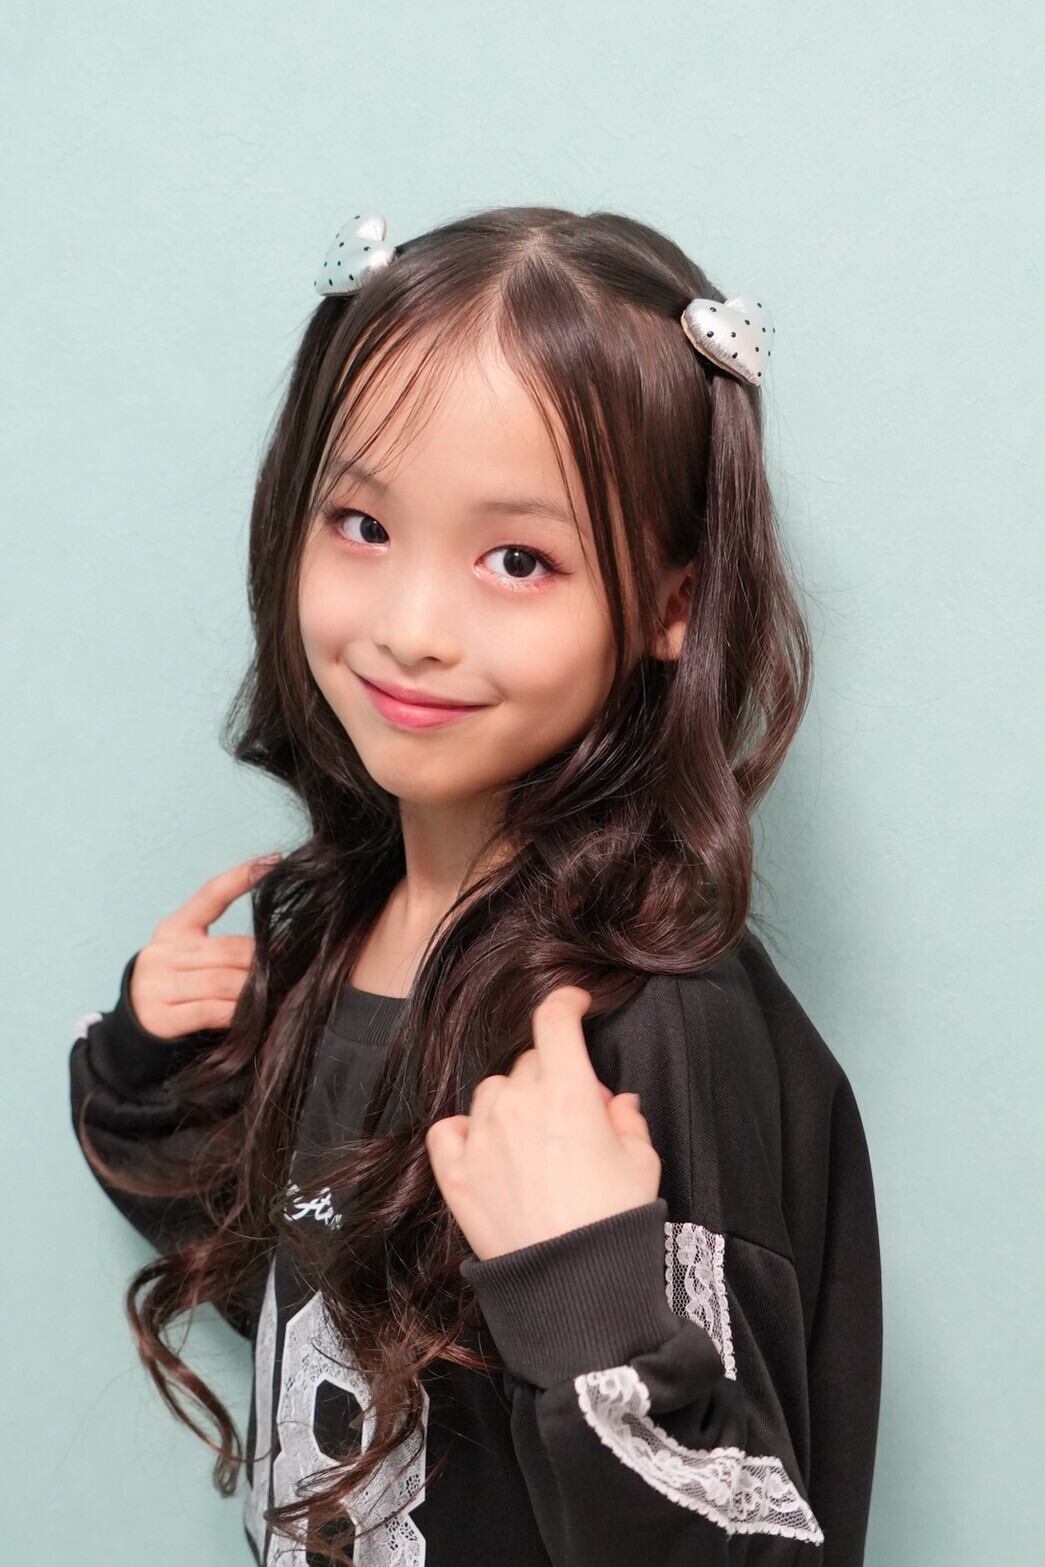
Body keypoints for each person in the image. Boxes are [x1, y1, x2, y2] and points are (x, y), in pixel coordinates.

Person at [69, 205, 883, 1566]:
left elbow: (753, 1537)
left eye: (518, 561)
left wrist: (587, 1287)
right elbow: (307, 1288)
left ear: (672, 604)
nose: (411, 628)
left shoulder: (650, 1030)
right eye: (362, 524)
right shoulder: (337, 933)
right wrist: (150, 1074)